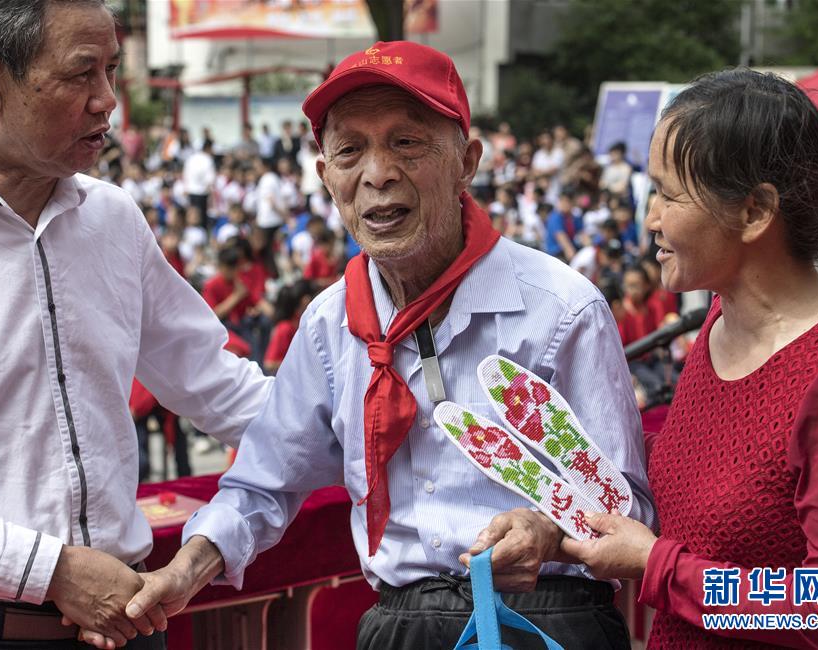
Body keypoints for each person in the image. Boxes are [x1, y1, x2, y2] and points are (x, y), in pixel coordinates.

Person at [119, 40, 654, 650]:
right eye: (350, 151)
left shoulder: (560, 309)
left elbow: (630, 513)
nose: (377, 173)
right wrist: (184, 571)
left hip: (545, 619)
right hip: (400, 623)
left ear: (467, 162)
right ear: (326, 177)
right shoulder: (329, 326)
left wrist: (548, 533)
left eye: (406, 143)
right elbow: (263, 483)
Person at [0, 1, 272, 648]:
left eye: (112, 71)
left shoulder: (113, 219)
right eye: (82, 74)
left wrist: (370, 429)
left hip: (129, 622)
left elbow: (216, 383)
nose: (108, 102)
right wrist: (50, 571)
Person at [560, 69, 818, 648]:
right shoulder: (717, 322)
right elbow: (699, 490)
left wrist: (658, 567)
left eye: (669, 195)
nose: (651, 219)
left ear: (755, 211)